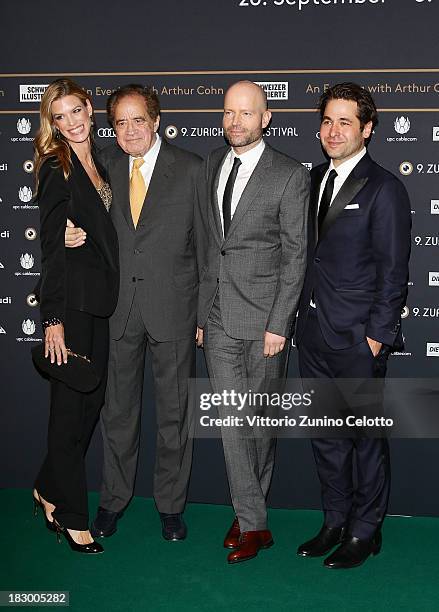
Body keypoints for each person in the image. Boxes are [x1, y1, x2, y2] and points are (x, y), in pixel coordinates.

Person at [66, 85, 206, 541]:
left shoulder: (191, 169)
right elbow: (74, 214)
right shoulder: (101, 164)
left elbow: (208, 249)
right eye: (120, 122)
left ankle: (171, 506)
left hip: (174, 309)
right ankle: (113, 500)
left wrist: (203, 312)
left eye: (138, 120)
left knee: (175, 414)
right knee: (118, 414)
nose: (129, 131)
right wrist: (67, 232)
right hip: (118, 310)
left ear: (156, 120)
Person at [295, 82, 411, 569]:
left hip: (358, 338)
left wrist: (377, 336)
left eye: (345, 121)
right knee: (326, 435)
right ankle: (335, 520)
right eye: (326, 120)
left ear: (366, 129)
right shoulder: (312, 179)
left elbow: (393, 270)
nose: (332, 130)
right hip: (314, 334)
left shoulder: (385, 187)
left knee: (364, 438)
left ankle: (366, 531)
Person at [197, 80, 309, 564]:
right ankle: (256, 524)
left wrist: (280, 324)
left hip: (266, 320)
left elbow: (296, 256)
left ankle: (247, 512)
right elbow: (210, 247)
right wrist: (203, 313)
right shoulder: (211, 166)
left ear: (266, 118)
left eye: (246, 113)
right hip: (219, 315)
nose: (235, 122)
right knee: (231, 418)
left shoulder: (289, 174)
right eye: (228, 112)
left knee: (259, 423)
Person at [33, 78, 119, 554]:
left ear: (89, 108)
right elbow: (51, 248)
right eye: (59, 117)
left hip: (98, 306)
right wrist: (52, 319)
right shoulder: (55, 168)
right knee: (68, 413)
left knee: (90, 406)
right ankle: (71, 516)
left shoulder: (98, 164)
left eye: (76, 111)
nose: (71, 123)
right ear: (53, 123)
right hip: (69, 309)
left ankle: (48, 484)